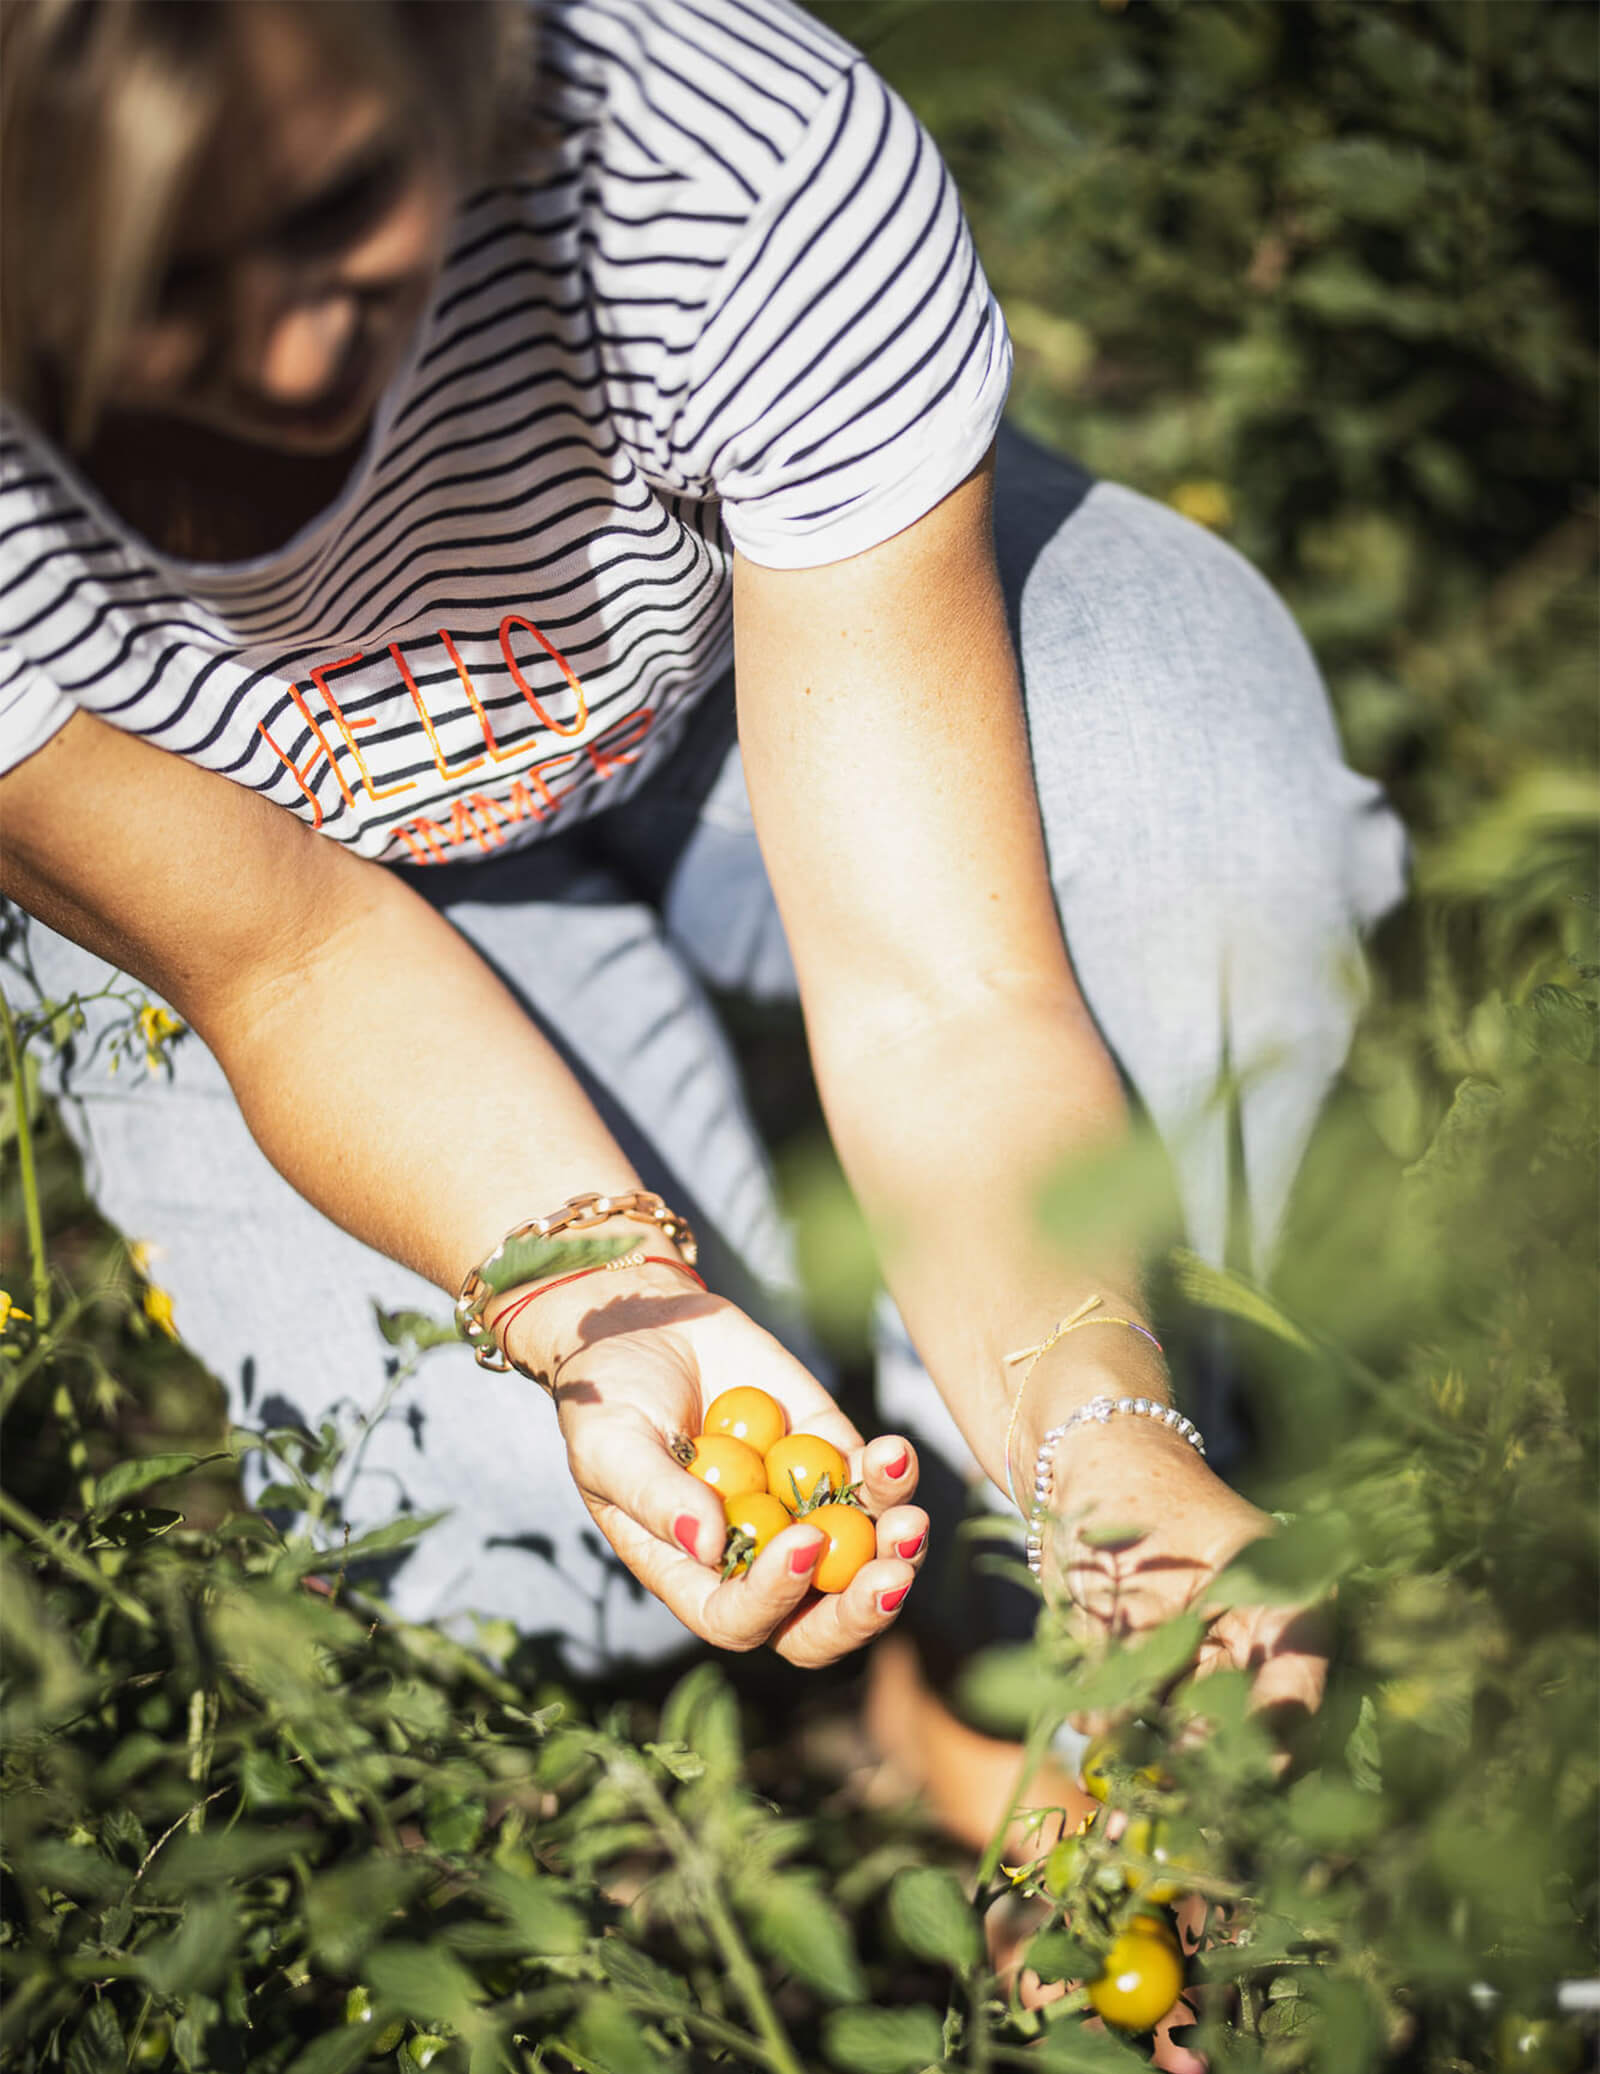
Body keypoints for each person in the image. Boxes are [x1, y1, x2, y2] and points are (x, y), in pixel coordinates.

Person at [0, 0, 1404, 1740]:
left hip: (751, 686)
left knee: (1185, 806)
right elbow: (287, 960)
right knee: (475, 1484)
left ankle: (995, 1653)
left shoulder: (717, 153)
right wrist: (601, 1309)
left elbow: (944, 1001)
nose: (291, 361)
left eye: (339, 206)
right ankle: (831, 1636)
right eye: (155, 291)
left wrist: (1098, 1453)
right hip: (291, 873)